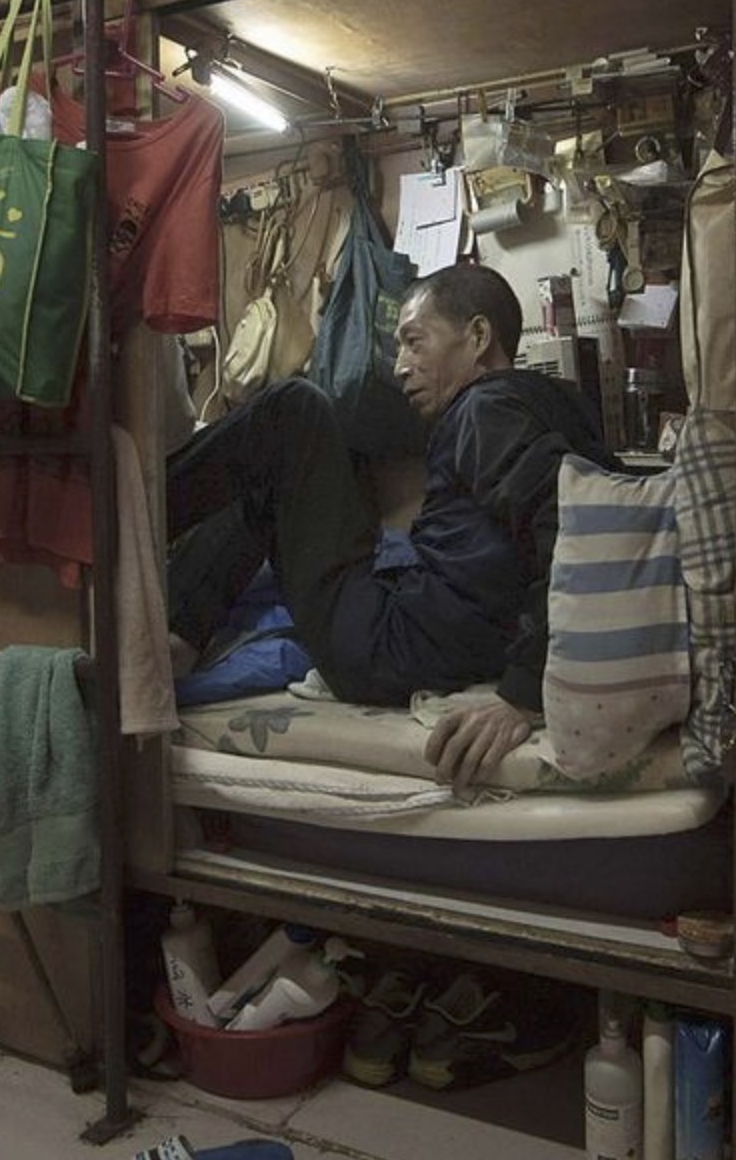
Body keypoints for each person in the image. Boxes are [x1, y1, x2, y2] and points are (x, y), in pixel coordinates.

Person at [166, 261, 617, 792]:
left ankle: (128, 504)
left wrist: (522, 693)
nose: (400, 366)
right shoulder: (555, 405)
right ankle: (178, 634)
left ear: (478, 337)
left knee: (294, 407)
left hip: (394, 650)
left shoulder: (486, 410)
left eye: (414, 342)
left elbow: (575, 530)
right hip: (436, 638)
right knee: (278, 481)